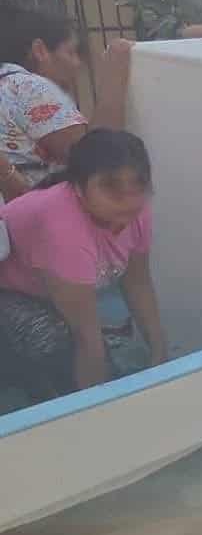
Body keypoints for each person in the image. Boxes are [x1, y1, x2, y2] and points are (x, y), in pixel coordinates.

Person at [0, 129, 165, 401]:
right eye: (110, 185)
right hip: (8, 293)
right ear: (78, 188)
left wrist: (160, 354)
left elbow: (138, 282)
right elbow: (85, 336)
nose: (127, 197)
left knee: (101, 357)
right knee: (56, 340)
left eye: (138, 183)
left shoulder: (136, 210)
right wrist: (97, 413)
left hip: (46, 289)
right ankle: (23, 380)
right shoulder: (63, 228)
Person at [0, 0, 132, 200]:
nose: (77, 65)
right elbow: (97, 157)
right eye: (71, 52)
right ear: (40, 51)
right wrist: (117, 70)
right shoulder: (27, 87)